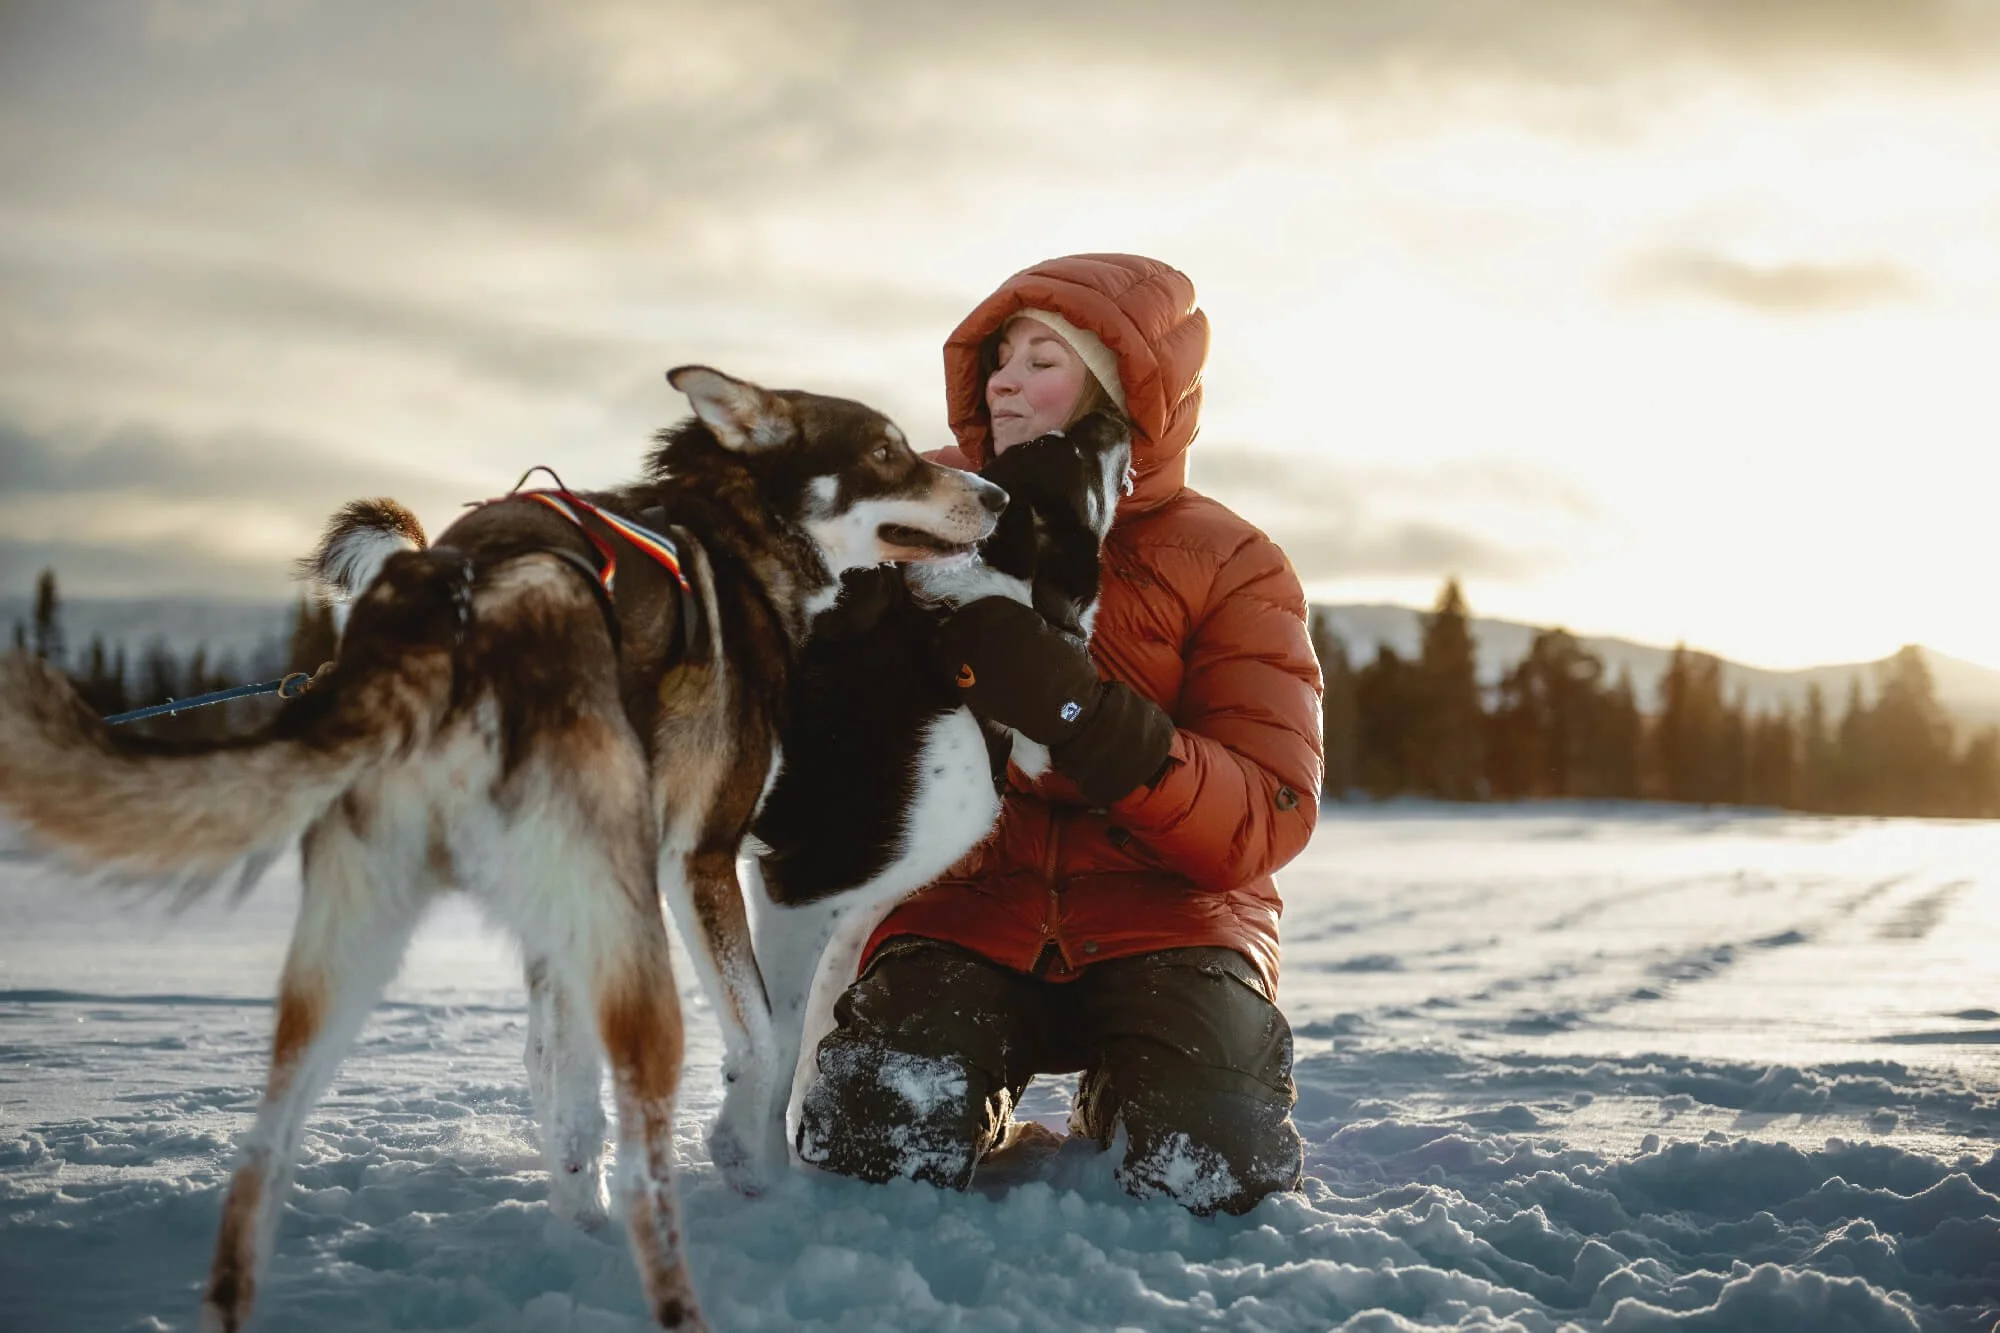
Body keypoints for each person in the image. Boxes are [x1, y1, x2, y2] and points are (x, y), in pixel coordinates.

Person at [794, 253, 1323, 1215]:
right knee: (874, 1141)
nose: (1004, 380)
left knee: (1214, 1167)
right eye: (1000, 357)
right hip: (962, 909)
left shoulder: (1232, 560)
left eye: (1043, 360)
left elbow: (1268, 808)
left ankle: (1129, 1082)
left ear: (1125, 392)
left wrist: (1084, 714)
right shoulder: (915, 517)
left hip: (1169, 921)